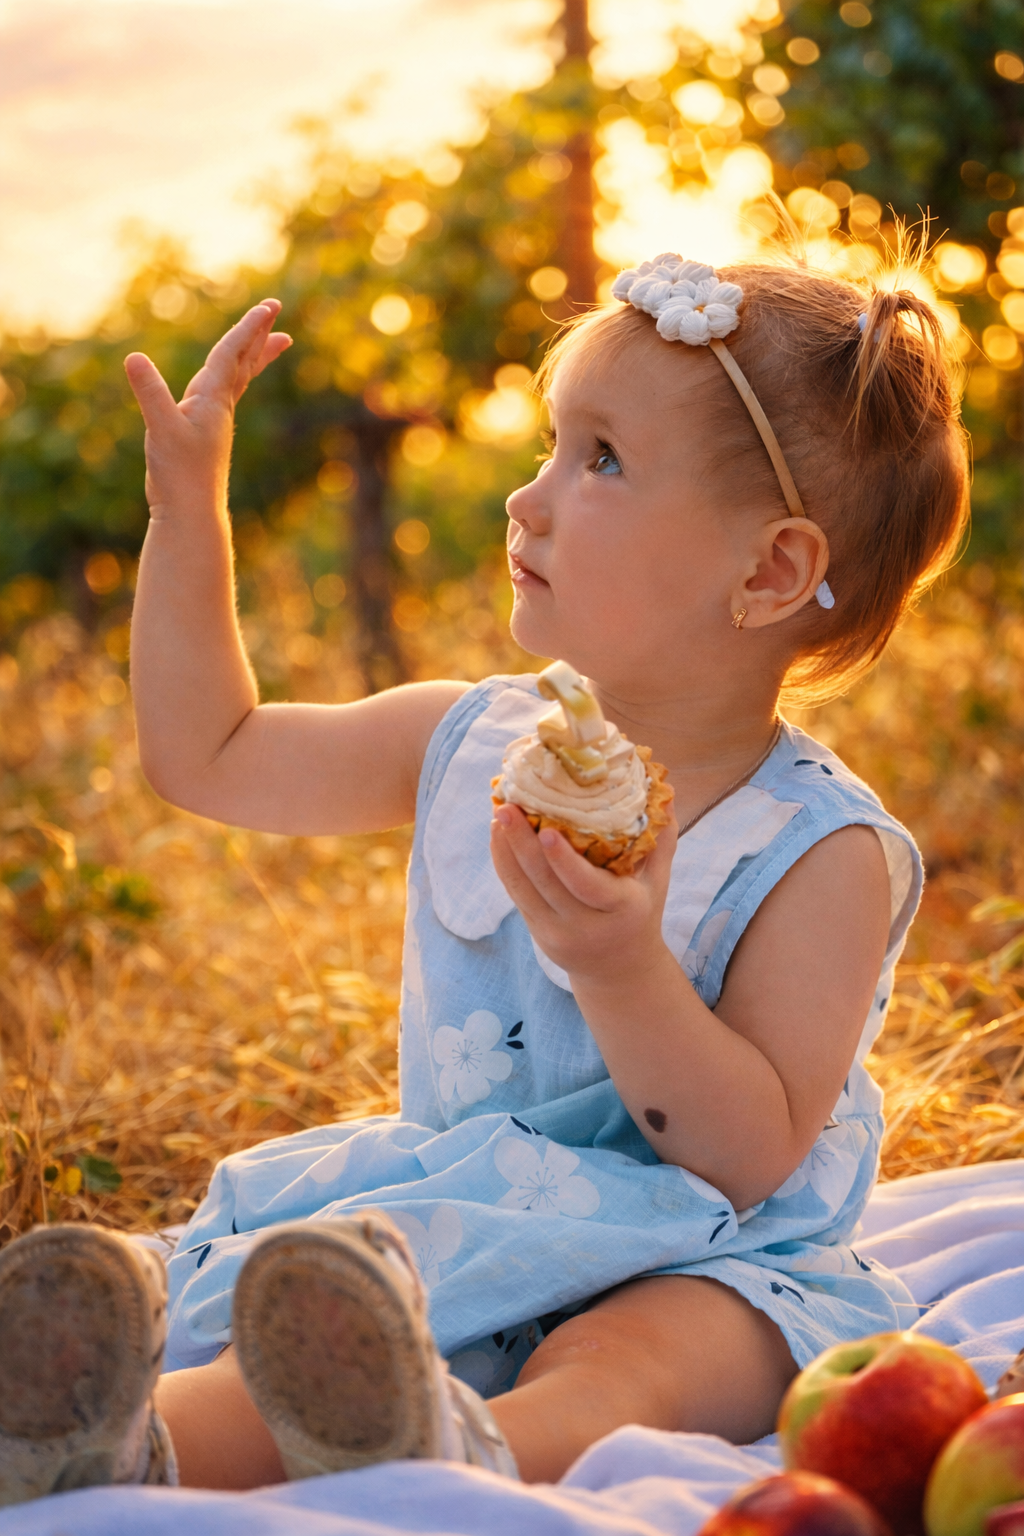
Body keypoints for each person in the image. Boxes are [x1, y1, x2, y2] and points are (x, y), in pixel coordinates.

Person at [0, 252, 970, 1507]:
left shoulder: (816, 850)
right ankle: (128, 1440)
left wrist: (621, 963)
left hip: (710, 1256)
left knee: (639, 1356)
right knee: (338, 1325)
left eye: (601, 460)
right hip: (469, 1222)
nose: (529, 499)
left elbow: (743, 1162)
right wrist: (189, 516)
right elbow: (211, 753)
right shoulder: (465, 740)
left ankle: (479, 1451)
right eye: (549, 446)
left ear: (769, 573)